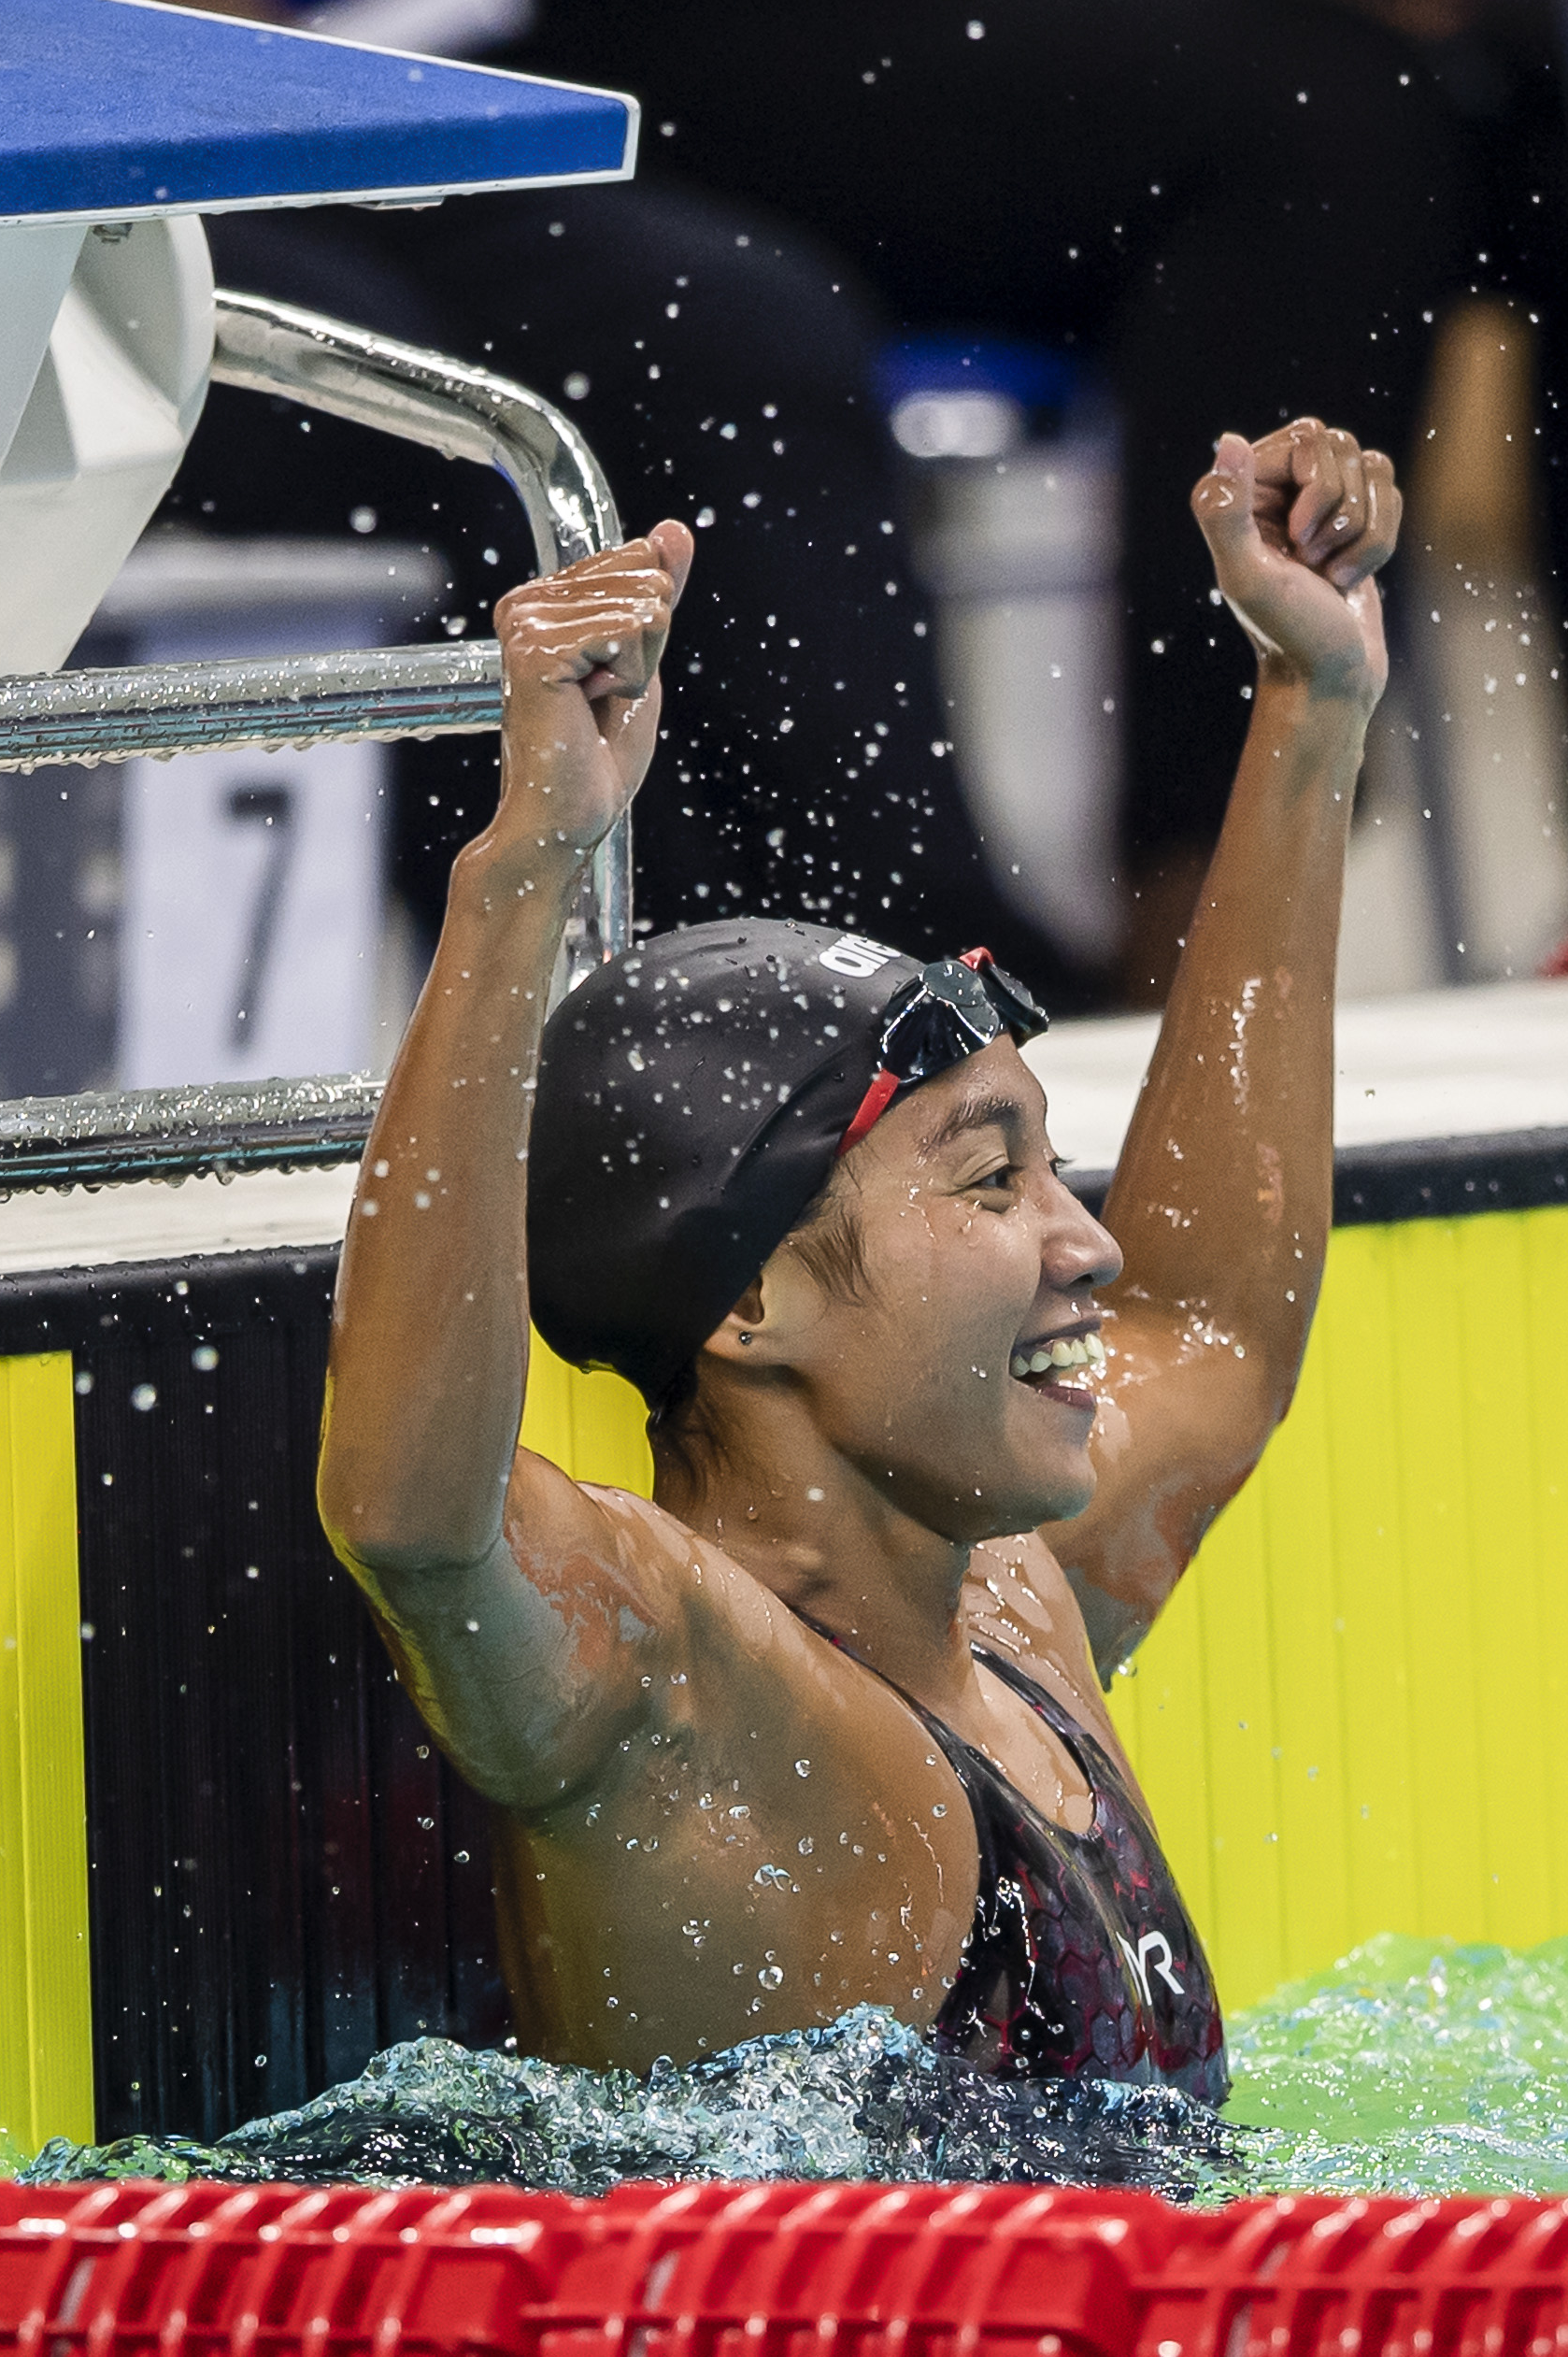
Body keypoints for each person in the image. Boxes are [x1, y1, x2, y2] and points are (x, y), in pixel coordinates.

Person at [314, 417, 1401, 2090]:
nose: (1086, 1244)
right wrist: (521, 872)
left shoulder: (1014, 1612)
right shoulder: (675, 1691)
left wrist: (1308, 707)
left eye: (1056, 1169)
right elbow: (419, 1524)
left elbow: (1214, 1330)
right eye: (991, 1183)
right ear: (749, 1294)